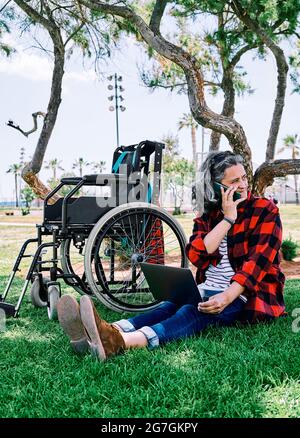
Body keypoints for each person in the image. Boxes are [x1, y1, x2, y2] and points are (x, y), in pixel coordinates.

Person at [57, 150, 286, 361]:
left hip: (245, 295)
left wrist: (226, 297)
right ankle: (105, 329)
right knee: (169, 306)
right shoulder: (211, 215)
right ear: (216, 187)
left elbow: (257, 264)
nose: (244, 185)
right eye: (234, 181)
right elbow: (197, 254)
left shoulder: (265, 210)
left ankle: (121, 342)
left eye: (244, 177)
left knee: (191, 311)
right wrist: (227, 219)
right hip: (208, 288)